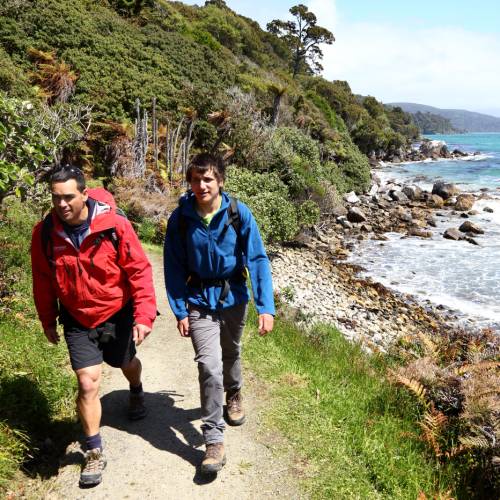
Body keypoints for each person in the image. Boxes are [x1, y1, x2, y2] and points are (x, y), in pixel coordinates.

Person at [31, 165, 157, 487]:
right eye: (56, 198)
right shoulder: (45, 233)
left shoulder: (114, 225)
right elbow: (43, 281)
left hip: (116, 311)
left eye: (69, 197)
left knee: (124, 361)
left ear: (85, 194)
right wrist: (47, 318)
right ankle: (93, 451)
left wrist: (143, 315)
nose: (61, 205)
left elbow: (139, 269)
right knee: (87, 383)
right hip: (76, 317)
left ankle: (136, 388)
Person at [163, 153, 274, 474]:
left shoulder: (239, 214)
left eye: (208, 179)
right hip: (198, 298)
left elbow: (257, 259)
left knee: (231, 352)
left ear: (220, 181)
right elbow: (172, 265)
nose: (201, 185)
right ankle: (213, 439)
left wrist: (265, 306)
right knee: (209, 366)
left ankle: (234, 392)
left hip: (234, 297)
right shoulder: (181, 218)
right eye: (196, 179)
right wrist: (179, 309)